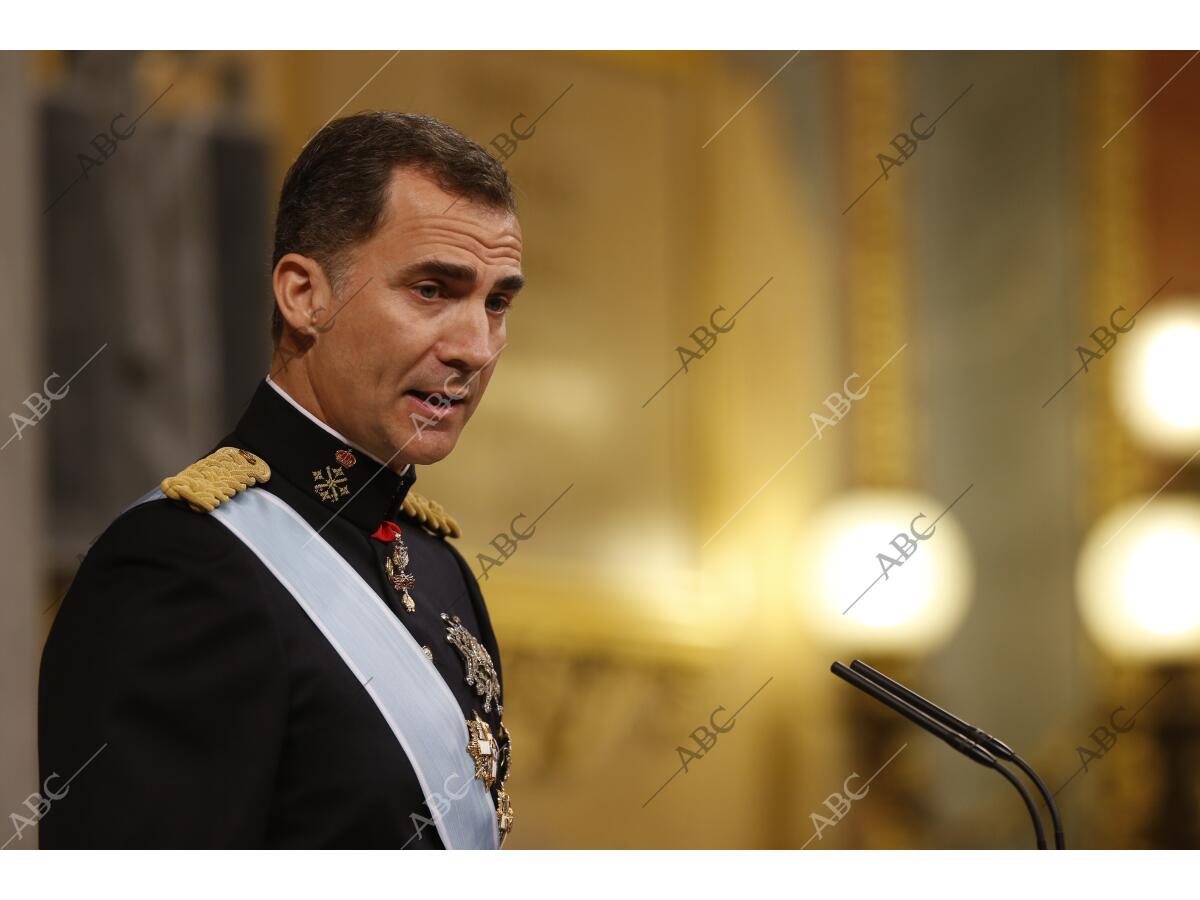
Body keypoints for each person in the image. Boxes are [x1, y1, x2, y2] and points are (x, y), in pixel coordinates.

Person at [37, 111, 522, 849]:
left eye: (496, 302)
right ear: (303, 296)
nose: (475, 348)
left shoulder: (439, 568)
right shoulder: (178, 568)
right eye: (431, 290)